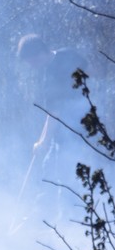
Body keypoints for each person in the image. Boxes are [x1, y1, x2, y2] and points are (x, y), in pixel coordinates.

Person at [16, 34, 90, 223]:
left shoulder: (51, 74)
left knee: (57, 172)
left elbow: (55, 112)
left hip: (71, 133)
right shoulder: (69, 54)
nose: (30, 65)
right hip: (90, 126)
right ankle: (50, 215)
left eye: (29, 60)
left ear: (37, 54)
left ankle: (62, 220)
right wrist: (41, 140)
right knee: (57, 169)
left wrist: (44, 141)